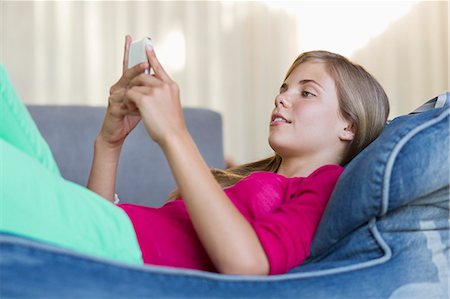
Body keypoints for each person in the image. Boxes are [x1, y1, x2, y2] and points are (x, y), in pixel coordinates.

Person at [0, 35, 389, 276]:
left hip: (112, 245)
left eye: (306, 92)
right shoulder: (239, 180)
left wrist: (174, 131)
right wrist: (109, 142)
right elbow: (96, 219)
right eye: (284, 87)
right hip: (100, 230)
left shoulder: (328, 187)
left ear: (349, 126)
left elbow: (249, 263)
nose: (281, 97)